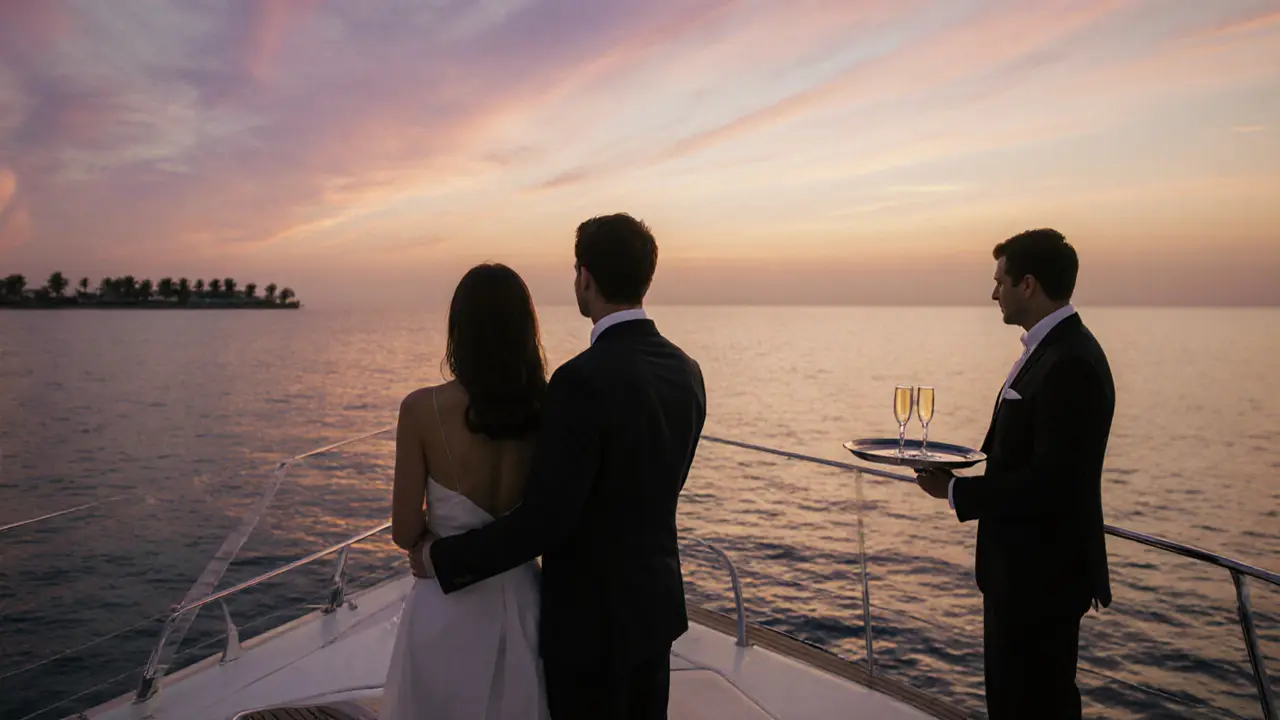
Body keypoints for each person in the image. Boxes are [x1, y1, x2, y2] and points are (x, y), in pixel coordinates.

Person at [419, 213, 708, 719]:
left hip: (590, 628)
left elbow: (546, 521)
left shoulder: (579, 382)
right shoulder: (687, 371)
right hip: (655, 613)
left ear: (586, 278)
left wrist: (440, 559)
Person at [915, 228, 1114, 720]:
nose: (993, 292)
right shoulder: (1050, 350)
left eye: (999, 281)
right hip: (1021, 573)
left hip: (1041, 577)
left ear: (1027, 284)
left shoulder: (1071, 361)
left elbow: (1052, 484)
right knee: (1012, 703)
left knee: (1034, 706)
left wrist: (956, 490)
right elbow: (1024, 456)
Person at [381, 263, 550, 720]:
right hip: (523, 603)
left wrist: (431, 539)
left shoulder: (420, 409)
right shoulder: (545, 408)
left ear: (458, 329)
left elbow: (403, 529)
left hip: (445, 604)